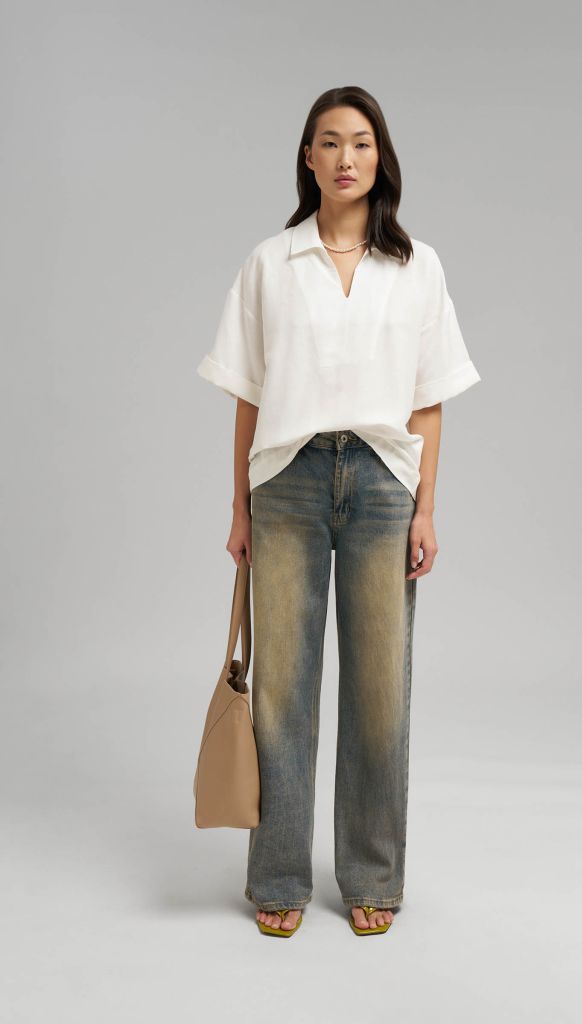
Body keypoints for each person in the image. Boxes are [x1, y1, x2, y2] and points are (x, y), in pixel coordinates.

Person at [196, 85, 482, 936]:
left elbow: (428, 401)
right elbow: (247, 396)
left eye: (360, 142)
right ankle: (279, 876)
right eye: (329, 142)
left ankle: (372, 875)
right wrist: (240, 507)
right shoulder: (269, 263)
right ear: (308, 159)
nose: (345, 157)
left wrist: (425, 509)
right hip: (285, 481)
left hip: (383, 482)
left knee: (378, 691)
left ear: (379, 158)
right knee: (282, 689)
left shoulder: (417, 266)